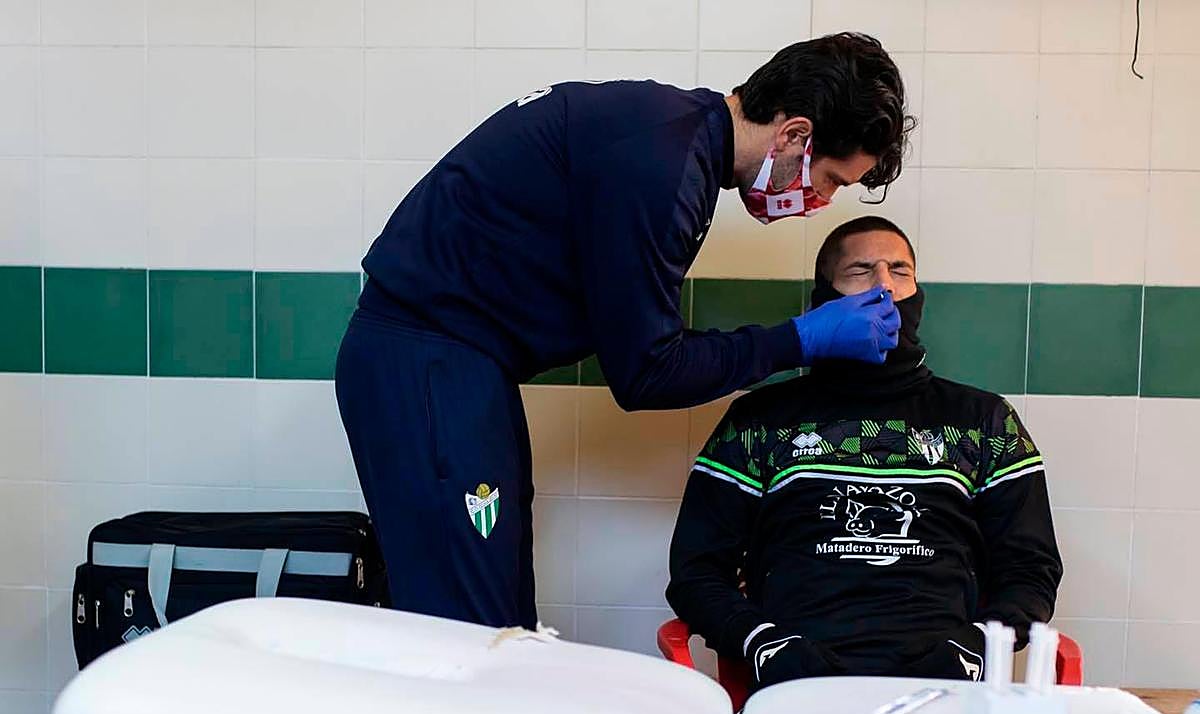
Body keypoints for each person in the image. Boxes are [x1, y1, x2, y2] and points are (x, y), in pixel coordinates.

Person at [336, 34, 915, 629]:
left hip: (458, 366)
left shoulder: (674, 136)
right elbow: (646, 373)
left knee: (501, 621)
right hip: (425, 365)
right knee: (464, 630)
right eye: (831, 179)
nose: (821, 200)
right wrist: (800, 340)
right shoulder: (662, 165)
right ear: (794, 135)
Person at [666, 216, 1063, 691]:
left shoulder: (986, 421)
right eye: (860, 271)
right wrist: (763, 644)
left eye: (900, 270)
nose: (883, 286)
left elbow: (1031, 571)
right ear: (825, 300)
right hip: (797, 685)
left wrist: (973, 648)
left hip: (945, 687)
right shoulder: (757, 421)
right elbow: (696, 572)